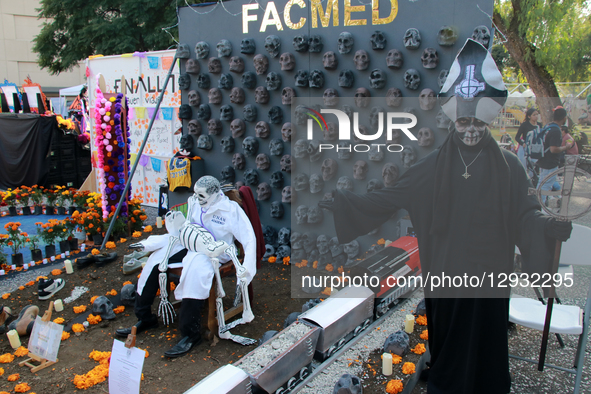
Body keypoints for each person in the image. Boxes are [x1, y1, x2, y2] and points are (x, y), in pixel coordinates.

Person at [319, 39, 572, 394]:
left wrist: (547, 228)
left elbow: (525, 215)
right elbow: (389, 198)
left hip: (490, 281)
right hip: (448, 280)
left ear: (489, 120)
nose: (470, 129)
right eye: (464, 121)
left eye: (477, 123)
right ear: (454, 120)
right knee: (451, 354)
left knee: (488, 351)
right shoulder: (431, 168)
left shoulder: (510, 168)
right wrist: (345, 202)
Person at [537, 107, 569, 205]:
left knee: (541, 183)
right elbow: (553, 149)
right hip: (550, 162)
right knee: (546, 185)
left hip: (542, 159)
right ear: (564, 118)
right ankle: (540, 206)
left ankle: (537, 203)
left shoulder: (548, 126)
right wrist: (565, 147)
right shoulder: (556, 130)